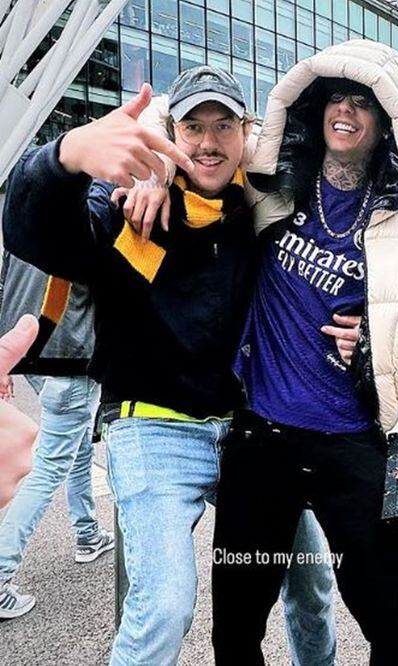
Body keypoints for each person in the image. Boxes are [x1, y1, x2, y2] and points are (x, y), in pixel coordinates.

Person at [121, 41, 398, 663]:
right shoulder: (271, 184)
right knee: (235, 622)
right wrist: (154, 171)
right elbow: (189, 128)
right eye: (336, 97)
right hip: (261, 441)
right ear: (315, 108)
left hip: (354, 446)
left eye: (364, 101)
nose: (346, 110)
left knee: (389, 614)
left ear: (391, 121)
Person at [3, 69, 336, 665]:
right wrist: (63, 157)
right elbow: (34, 234)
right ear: (172, 132)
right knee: (162, 607)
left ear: (245, 133)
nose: (208, 142)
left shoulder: (261, 211)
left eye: (223, 126)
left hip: (252, 435)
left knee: (312, 585)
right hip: (152, 429)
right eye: (193, 126)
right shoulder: (130, 206)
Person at [0, 252, 112, 619]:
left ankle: (87, 533)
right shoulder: (85, 204)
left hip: (29, 351)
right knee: (48, 468)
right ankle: (0, 575)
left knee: (78, 448)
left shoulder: (23, 202)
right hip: (70, 351)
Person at [0, 315, 39, 510]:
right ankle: (10, 539)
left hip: (34, 351)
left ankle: (86, 529)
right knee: (56, 459)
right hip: (64, 357)